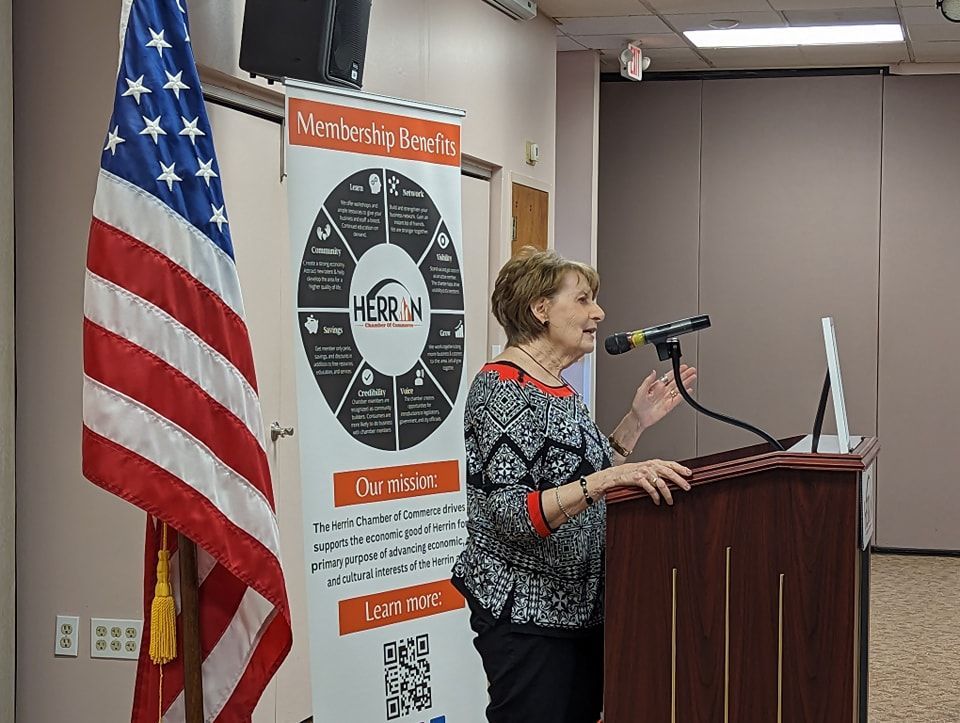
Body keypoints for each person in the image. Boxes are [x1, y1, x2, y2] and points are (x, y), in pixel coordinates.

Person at [451, 247, 696, 723]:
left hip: (576, 607)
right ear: (541, 309)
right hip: (527, 613)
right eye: (583, 300)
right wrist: (610, 478)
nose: (598, 313)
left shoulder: (556, 383)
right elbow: (514, 514)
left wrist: (633, 424)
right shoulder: (504, 388)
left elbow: (576, 477)